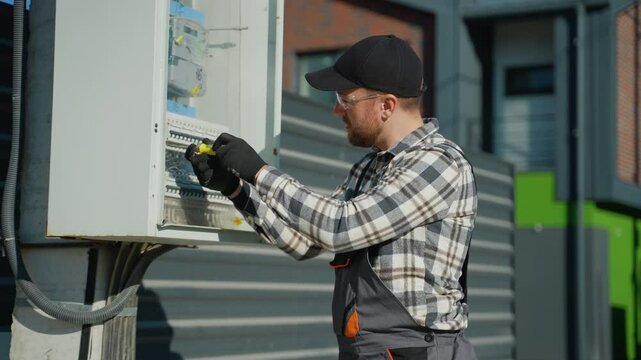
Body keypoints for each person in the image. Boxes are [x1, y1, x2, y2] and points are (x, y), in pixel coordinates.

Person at [185, 34, 478, 360]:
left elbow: (340, 226)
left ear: (387, 105)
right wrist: (236, 190)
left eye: (346, 98)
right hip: (368, 351)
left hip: (418, 350)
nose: (337, 110)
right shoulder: (369, 168)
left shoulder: (437, 163)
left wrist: (259, 171)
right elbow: (303, 241)